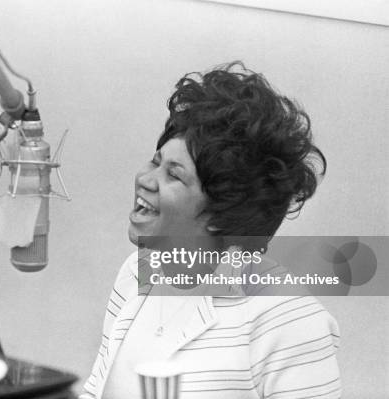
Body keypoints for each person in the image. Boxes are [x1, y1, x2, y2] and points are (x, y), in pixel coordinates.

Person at [81, 62, 340, 399]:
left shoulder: (290, 322)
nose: (145, 180)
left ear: (222, 211)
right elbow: (95, 389)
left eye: (173, 175)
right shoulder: (135, 272)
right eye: (155, 161)